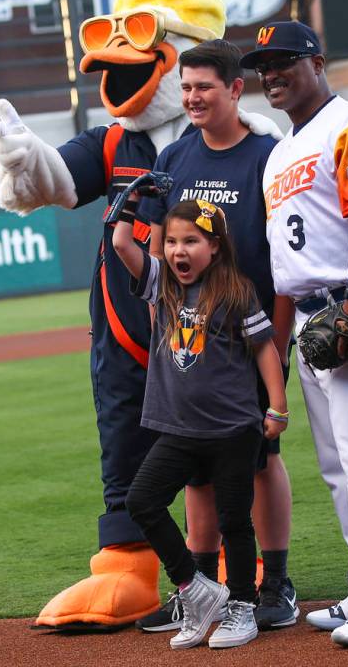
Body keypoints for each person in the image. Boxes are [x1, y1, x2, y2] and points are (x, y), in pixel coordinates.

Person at [0, 0, 278, 629]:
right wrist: (22, 157)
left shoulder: (234, 142)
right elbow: (53, 182)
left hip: (215, 329)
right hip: (124, 324)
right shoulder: (117, 140)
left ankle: (245, 568)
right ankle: (128, 565)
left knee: (235, 453)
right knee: (124, 442)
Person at [240, 21, 348, 648]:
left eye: (285, 59)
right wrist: (279, 352)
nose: (272, 73)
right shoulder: (281, 151)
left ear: (318, 61)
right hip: (311, 316)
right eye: (264, 65)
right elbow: (285, 271)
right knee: (339, 466)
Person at [137, 39, 298, 633]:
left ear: (236, 89)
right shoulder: (177, 156)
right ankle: (199, 588)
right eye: (185, 88)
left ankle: (273, 581)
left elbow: (283, 260)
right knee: (197, 468)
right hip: (190, 344)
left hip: (251, 333)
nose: (192, 97)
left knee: (261, 459)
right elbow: (158, 245)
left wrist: (277, 342)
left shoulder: (267, 155)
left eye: (204, 86)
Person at [112, 196, 289, 649]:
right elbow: (121, 245)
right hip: (179, 430)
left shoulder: (234, 291)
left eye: (191, 241)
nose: (179, 251)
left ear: (214, 247)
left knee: (235, 521)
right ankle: (196, 588)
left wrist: (277, 406)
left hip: (233, 429)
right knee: (142, 501)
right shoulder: (163, 286)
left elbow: (265, 349)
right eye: (171, 242)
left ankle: (243, 609)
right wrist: (130, 208)